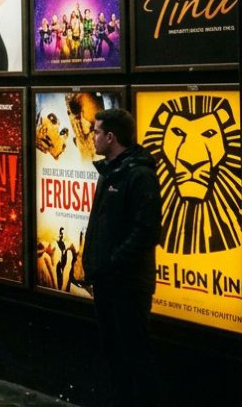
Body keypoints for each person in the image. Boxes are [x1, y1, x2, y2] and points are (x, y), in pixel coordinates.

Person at [82, 108, 161, 407]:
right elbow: (100, 225)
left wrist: (112, 263)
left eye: (97, 132)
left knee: (135, 355)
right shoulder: (110, 171)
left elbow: (145, 231)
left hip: (127, 285)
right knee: (113, 352)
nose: (94, 137)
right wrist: (93, 265)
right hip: (107, 282)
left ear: (111, 137)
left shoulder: (139, 175)